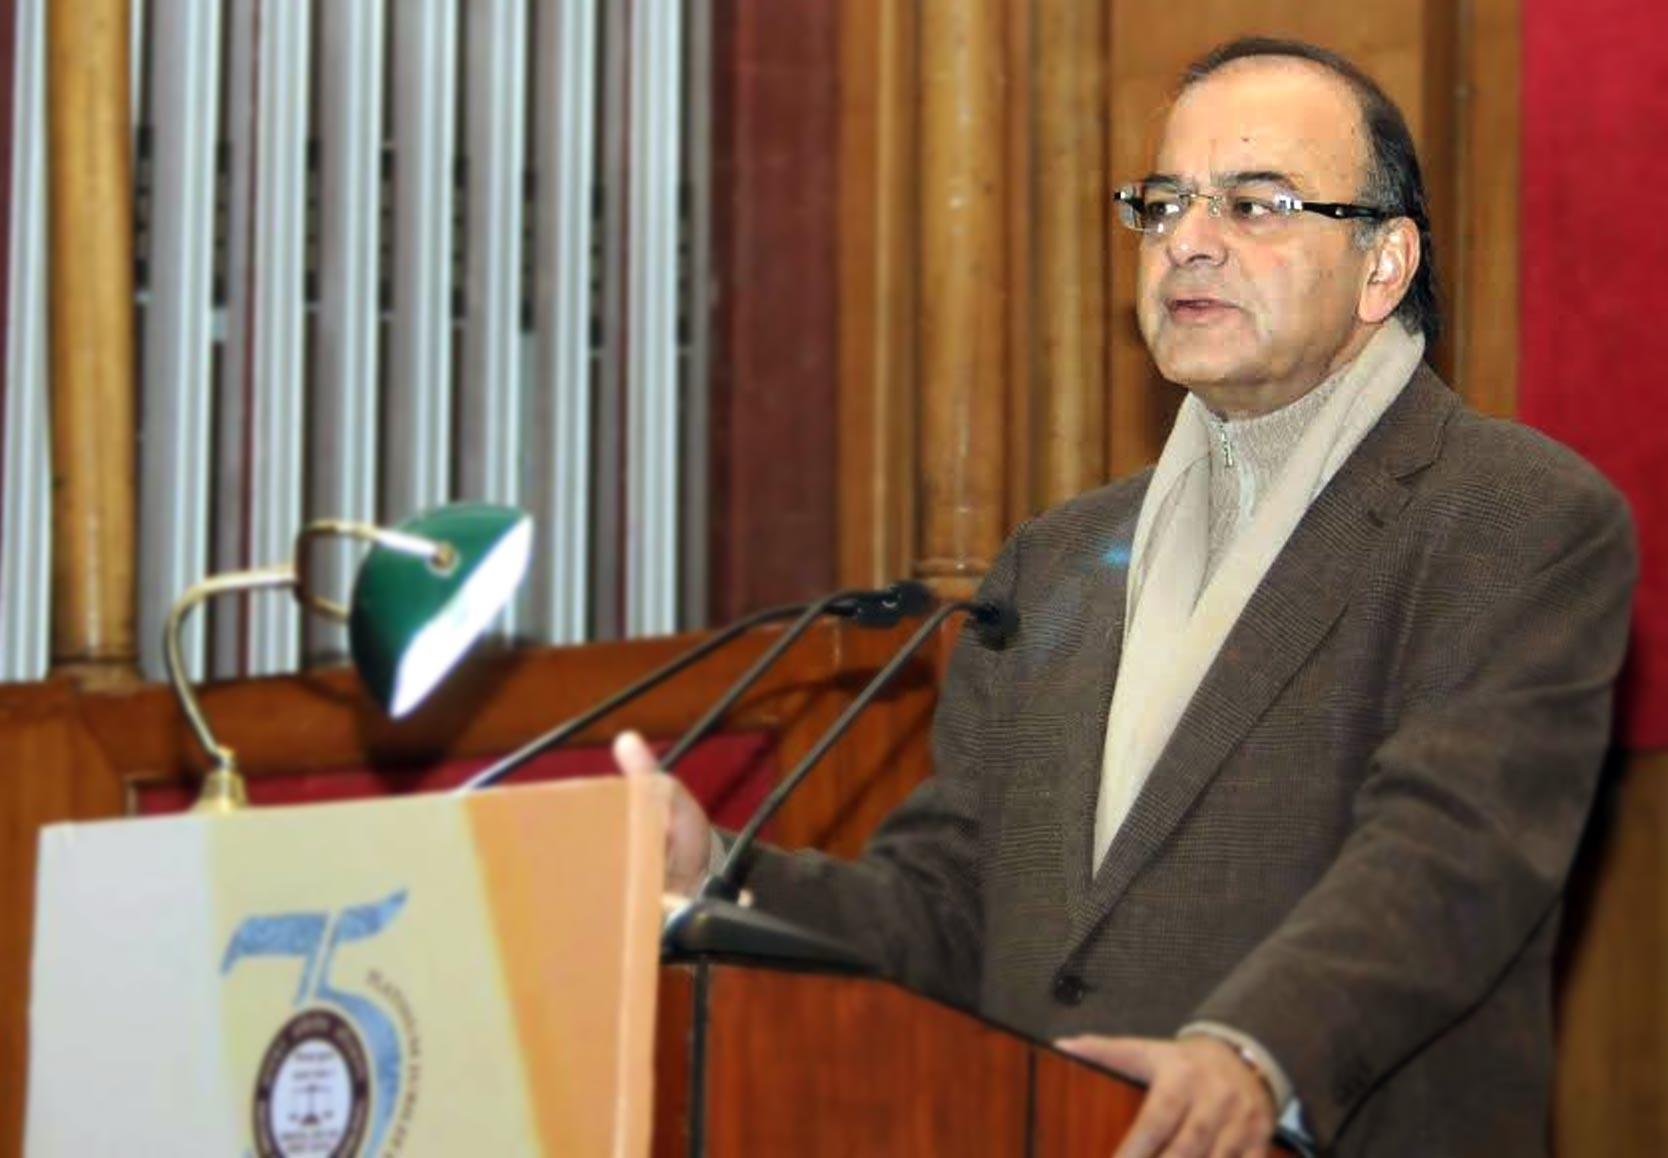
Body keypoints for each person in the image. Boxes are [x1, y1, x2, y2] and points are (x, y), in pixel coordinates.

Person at [615, 37, 1636, 1157]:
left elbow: (1451, 860)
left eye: (1255, 204)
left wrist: (1252, 1056)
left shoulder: (1513, 516)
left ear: (1383, 265)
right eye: (1163, 204)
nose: (1187, 241)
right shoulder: (1058, 559)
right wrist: (716, 876)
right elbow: (946, 910)